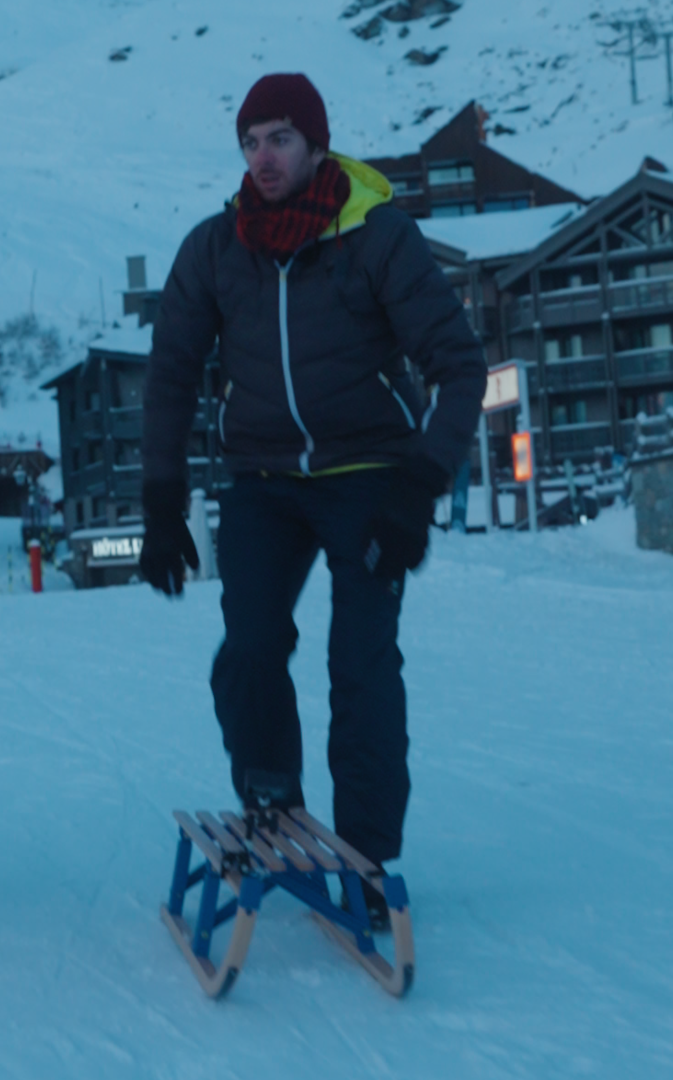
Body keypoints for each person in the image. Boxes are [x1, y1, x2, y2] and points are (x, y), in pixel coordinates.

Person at [138, 74, 485, 927]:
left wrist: (419, 486)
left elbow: (460, 366)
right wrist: (160, 497)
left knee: (361, 664)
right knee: (251, 647)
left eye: (280, 138)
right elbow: (172, 374)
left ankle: (368, 856)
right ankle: (271, 795)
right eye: (251, 140)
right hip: (262, 481)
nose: (264, 157)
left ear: (317, 146)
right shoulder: (216, 247)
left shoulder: (377, 237)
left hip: (368, 474)